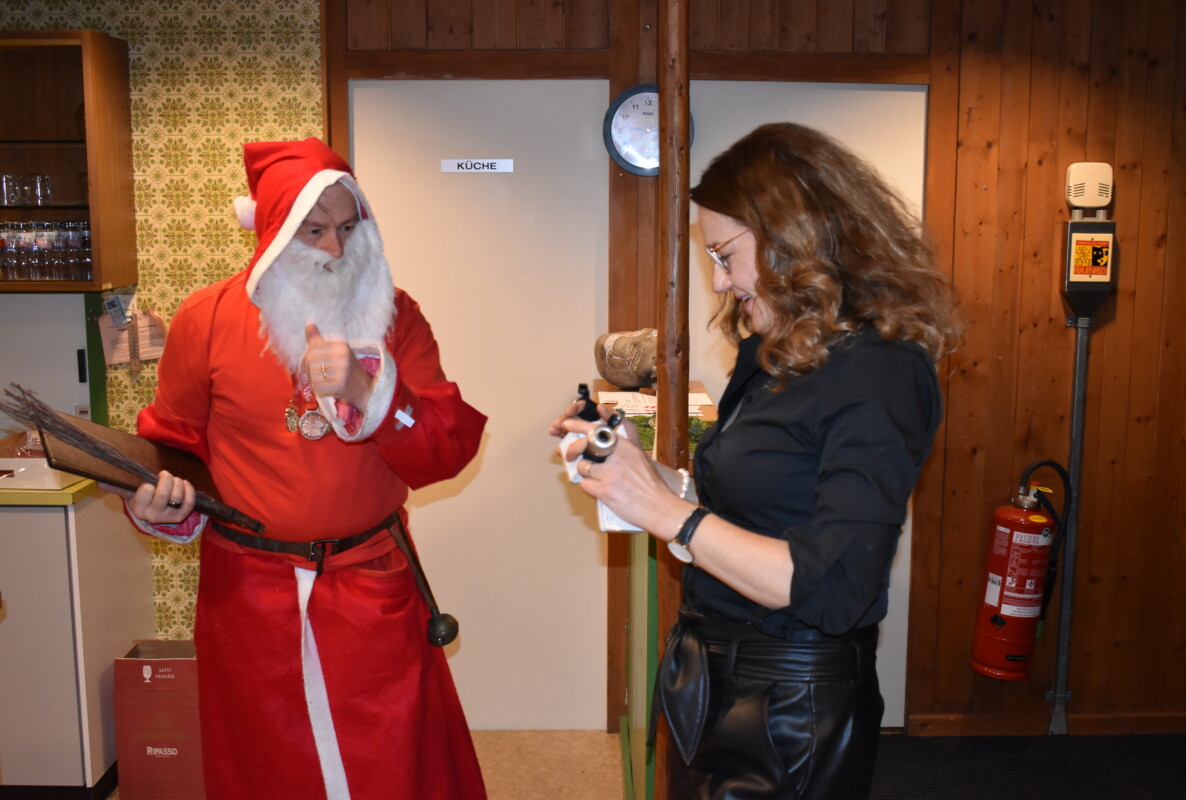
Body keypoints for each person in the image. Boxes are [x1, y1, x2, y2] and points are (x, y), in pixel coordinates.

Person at [551, 122, 962, 799]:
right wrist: (640, 474)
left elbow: (832, 589)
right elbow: (740, 509)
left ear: (793, 237)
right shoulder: (777, 356)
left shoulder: (882, 373)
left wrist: (668, 514)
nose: (718, 280)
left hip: (789, 712)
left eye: (724, 254)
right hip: (716, 677)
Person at [106, 138, 488, 799]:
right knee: (267, 772)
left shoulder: (396, 318)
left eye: (348, 227)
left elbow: (447, 452)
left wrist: (372, 394)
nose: (336, 249)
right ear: (274, 233)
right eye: (314, 231)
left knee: (392, 768)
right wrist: (155, 503)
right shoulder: (207, 319)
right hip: (249, 599)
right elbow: (170, 449)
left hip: (373, 587)